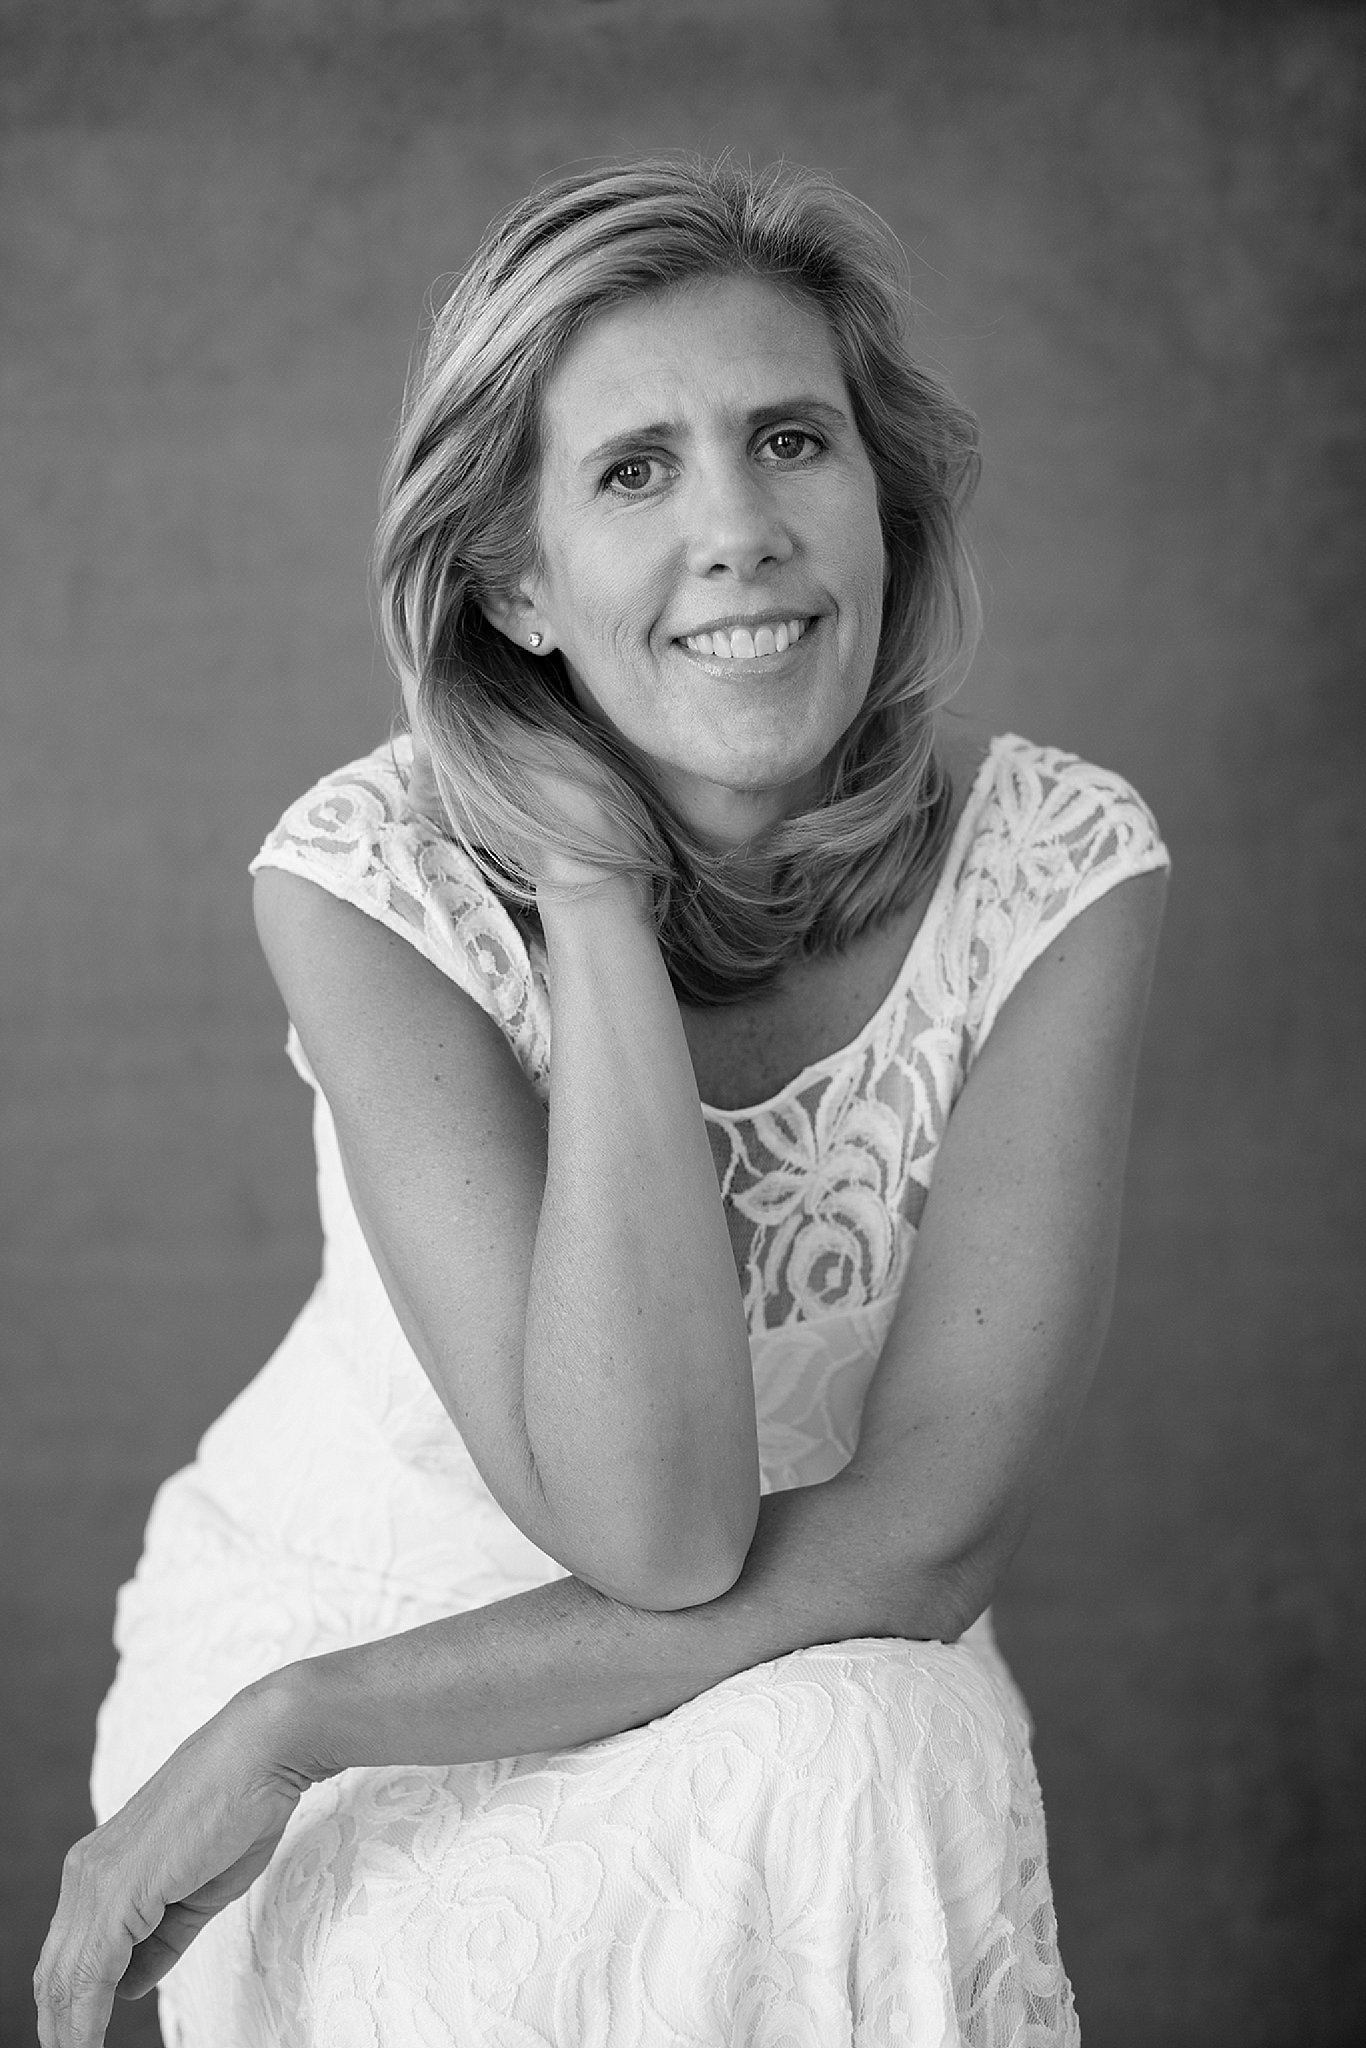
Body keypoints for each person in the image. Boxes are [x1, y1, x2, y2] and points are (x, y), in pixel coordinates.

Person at [36, 155, 1169, 2048]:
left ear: (880, 500)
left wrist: (304, 1722)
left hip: (759, 1629)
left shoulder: (1056, 865)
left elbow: (920, 1538)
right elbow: (643, 1520)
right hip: (390, 1595)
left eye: (789, 440)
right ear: (515, 583)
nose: (737, 528)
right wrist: (588, 892)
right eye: (633, 470)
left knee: (873, 1744)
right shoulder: (360, 877)